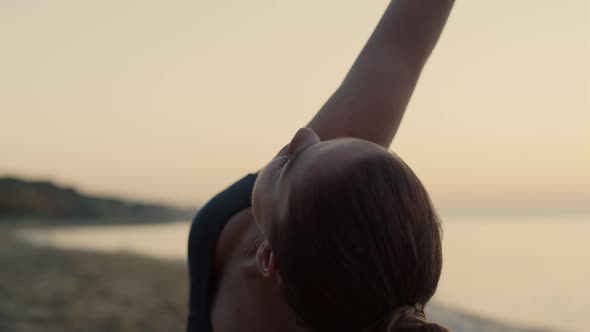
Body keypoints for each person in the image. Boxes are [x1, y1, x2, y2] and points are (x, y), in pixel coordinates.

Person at [187, 1, 455, 331]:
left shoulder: (326, 213)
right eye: (333, 141)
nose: (305, 134)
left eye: (290, 164)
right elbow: (399, 49)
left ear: (270, 260)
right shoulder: (333, 200)